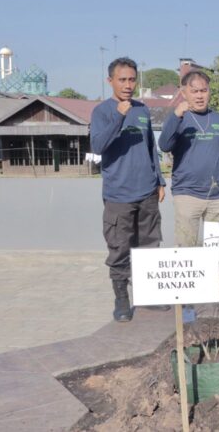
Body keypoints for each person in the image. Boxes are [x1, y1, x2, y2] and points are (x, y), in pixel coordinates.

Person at [91, 57, 166, 322]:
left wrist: (159, 180)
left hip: (146, 192)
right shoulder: (102, 112)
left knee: (148, 244)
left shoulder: (143, 110)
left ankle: (149, 296)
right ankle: (121, 299)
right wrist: (118, 116)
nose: (127, 85)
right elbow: (98, 146)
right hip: (118, 196)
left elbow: (150, 148)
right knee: (120, 248)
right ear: (110, 80)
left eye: (132, 79)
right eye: (122, 80)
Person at [158, 70, 219, 247]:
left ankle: (218, 276)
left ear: (209, 92)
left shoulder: (218, 119)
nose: (200, 96)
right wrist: (176, 115)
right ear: (184, 93)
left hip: (217, 195)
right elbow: (164, 145)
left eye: (204, 90)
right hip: (187, 194)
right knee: (187, 249)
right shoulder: (179, 118)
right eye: (194, 91)